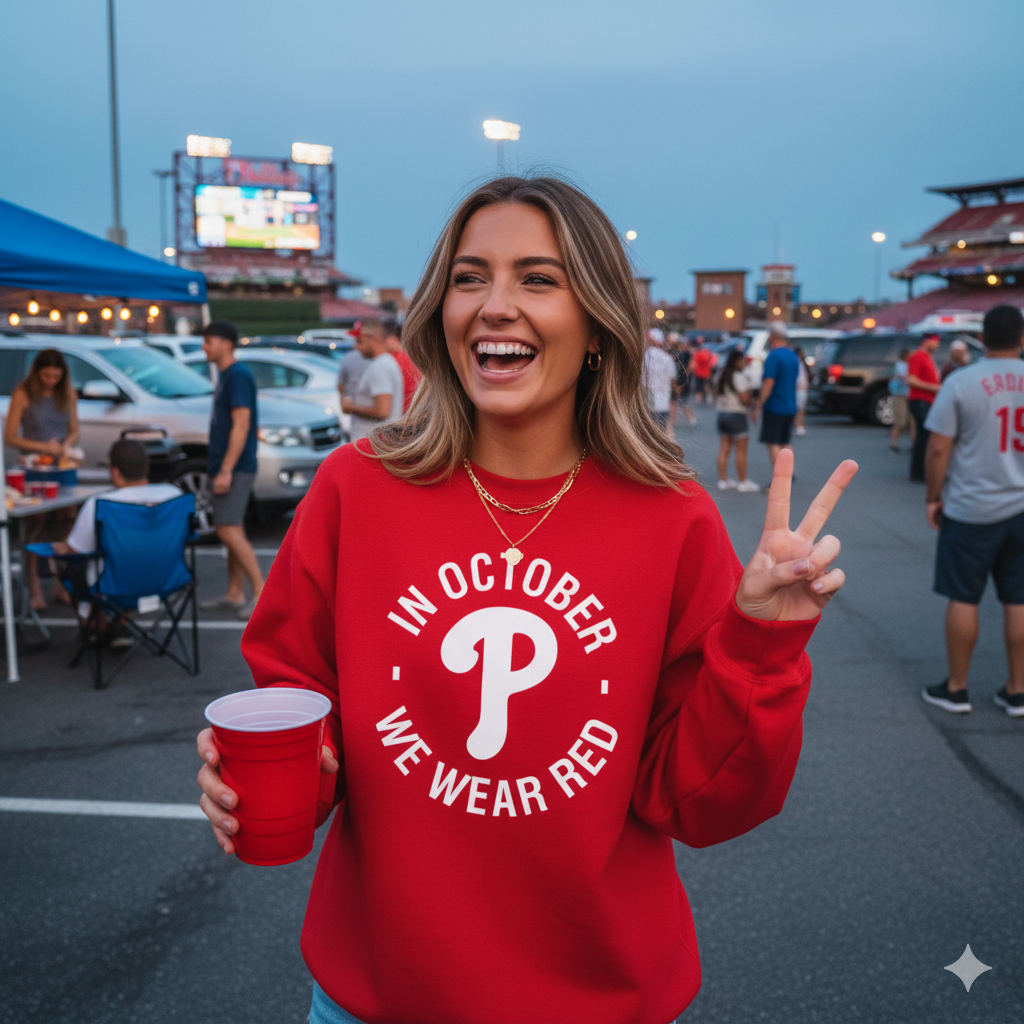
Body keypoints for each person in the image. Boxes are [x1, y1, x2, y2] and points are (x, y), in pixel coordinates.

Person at [196, 175, 857, 1024]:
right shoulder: (354, 490)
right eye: (471, 277)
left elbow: (698, 802)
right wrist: (263, 773)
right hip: (379, 992)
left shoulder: (672, 515)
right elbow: (294, 700)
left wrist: (762, 642)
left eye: (537, 280)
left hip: (601, 996)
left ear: (596, 327)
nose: (494, 305)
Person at [921, 305, 1024, 717]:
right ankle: (1018, 690)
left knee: (963, 597)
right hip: (1022, 507)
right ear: (1021, 338)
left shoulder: (962, 382)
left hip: (971, 508)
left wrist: (933, 496)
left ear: (982, 338)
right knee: (1018, 599)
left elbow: (939, 446)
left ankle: (957, 688)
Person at [3, 348, 80, 609]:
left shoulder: (68, 394)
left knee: (66, 522)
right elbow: (10, 436)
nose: (51, 381)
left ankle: (61, 582)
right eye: (46, 375)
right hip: (33, 468)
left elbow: (74, 430)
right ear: (37, 373)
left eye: (56, 376)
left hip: (61, 467)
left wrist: (65, 446)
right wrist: (42, 448)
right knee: (36, 526)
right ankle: (34, 586)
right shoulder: (23, 394)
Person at [200, 320, 264, 621]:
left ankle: (261, 594)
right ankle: (234, 592)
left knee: (227, 528)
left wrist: (226, 469)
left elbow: (242, 422)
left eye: (209, 340)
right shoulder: (228, 375)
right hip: (228, 464)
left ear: (226, 343)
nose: (204, 346)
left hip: (235, 466)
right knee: (232, 527)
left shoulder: (238, 375)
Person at [341, 318, 405, 441]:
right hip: (375, 443)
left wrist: (350, 406)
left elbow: (383, 410)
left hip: (373, 445)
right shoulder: (383, 363)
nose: (356, 346)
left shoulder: (380, 366)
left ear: (373, 338)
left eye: (360, 341)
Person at [752, 322, 801, 469]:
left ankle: (779, 477)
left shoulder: (773, 356)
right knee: (785, 442)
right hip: (790, 404)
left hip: (775, 406)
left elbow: (768, 383)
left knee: (772, 442)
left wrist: (758, 405)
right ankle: (788, 473)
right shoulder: (793, 356)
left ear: (772, 336)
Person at [714, 347, 759, 492]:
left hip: (722, 414)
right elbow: (745, 399)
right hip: (737, 415)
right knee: (741, 450)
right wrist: (753, 403)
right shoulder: (739, 377)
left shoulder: (721, 375)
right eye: (743, 360)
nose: (745, 363)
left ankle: (723, 480)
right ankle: (742, 482)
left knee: (724, 449)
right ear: (737, 361)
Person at [907, 333, 940, 482]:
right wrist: (933, 387)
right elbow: (912, 379)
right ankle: (918, 471)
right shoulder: (918, 356)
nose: (936, 345)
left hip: (928, 400)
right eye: (934, 342)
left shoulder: (927, 357)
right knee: (924, 436)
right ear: (926, 341)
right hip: (920, 399)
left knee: (924, 435)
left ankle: (920, 470)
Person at [642, 328, 676, 438]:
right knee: (660, 435)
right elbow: (672, 379)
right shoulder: (667, 358)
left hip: (645, 401)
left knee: (646, 435)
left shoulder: (642, 357)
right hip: (662, 401)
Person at [384, 321, 422, 412]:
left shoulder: (391, 361)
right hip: (414, 412)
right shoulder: (412, 357)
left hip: (402, 414)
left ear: (391, 340)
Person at [888, 347, 915, 454]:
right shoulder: (900, 365)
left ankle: (914, 446)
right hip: (900, 395)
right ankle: (893, 444)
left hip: (912, 396)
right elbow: (905, 378)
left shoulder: (912, 365)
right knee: (900, 421)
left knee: (913, 422)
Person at [690, 336, 715, 403]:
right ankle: (709, 397)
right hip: (706, 372)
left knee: (699, 386)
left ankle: (699, 398)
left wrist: (692, 370)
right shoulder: (708, 353)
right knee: (707, 385)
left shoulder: (696, 353)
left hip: (698, 372)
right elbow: (712, 362)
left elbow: (693, 363)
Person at [793, 345, 809, 436]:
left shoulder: (803, 363)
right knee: (799, 408)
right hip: (797, 388)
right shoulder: (796, 362)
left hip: (802, 387)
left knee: (801, 407)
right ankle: (798, 425)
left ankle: (799, 425)